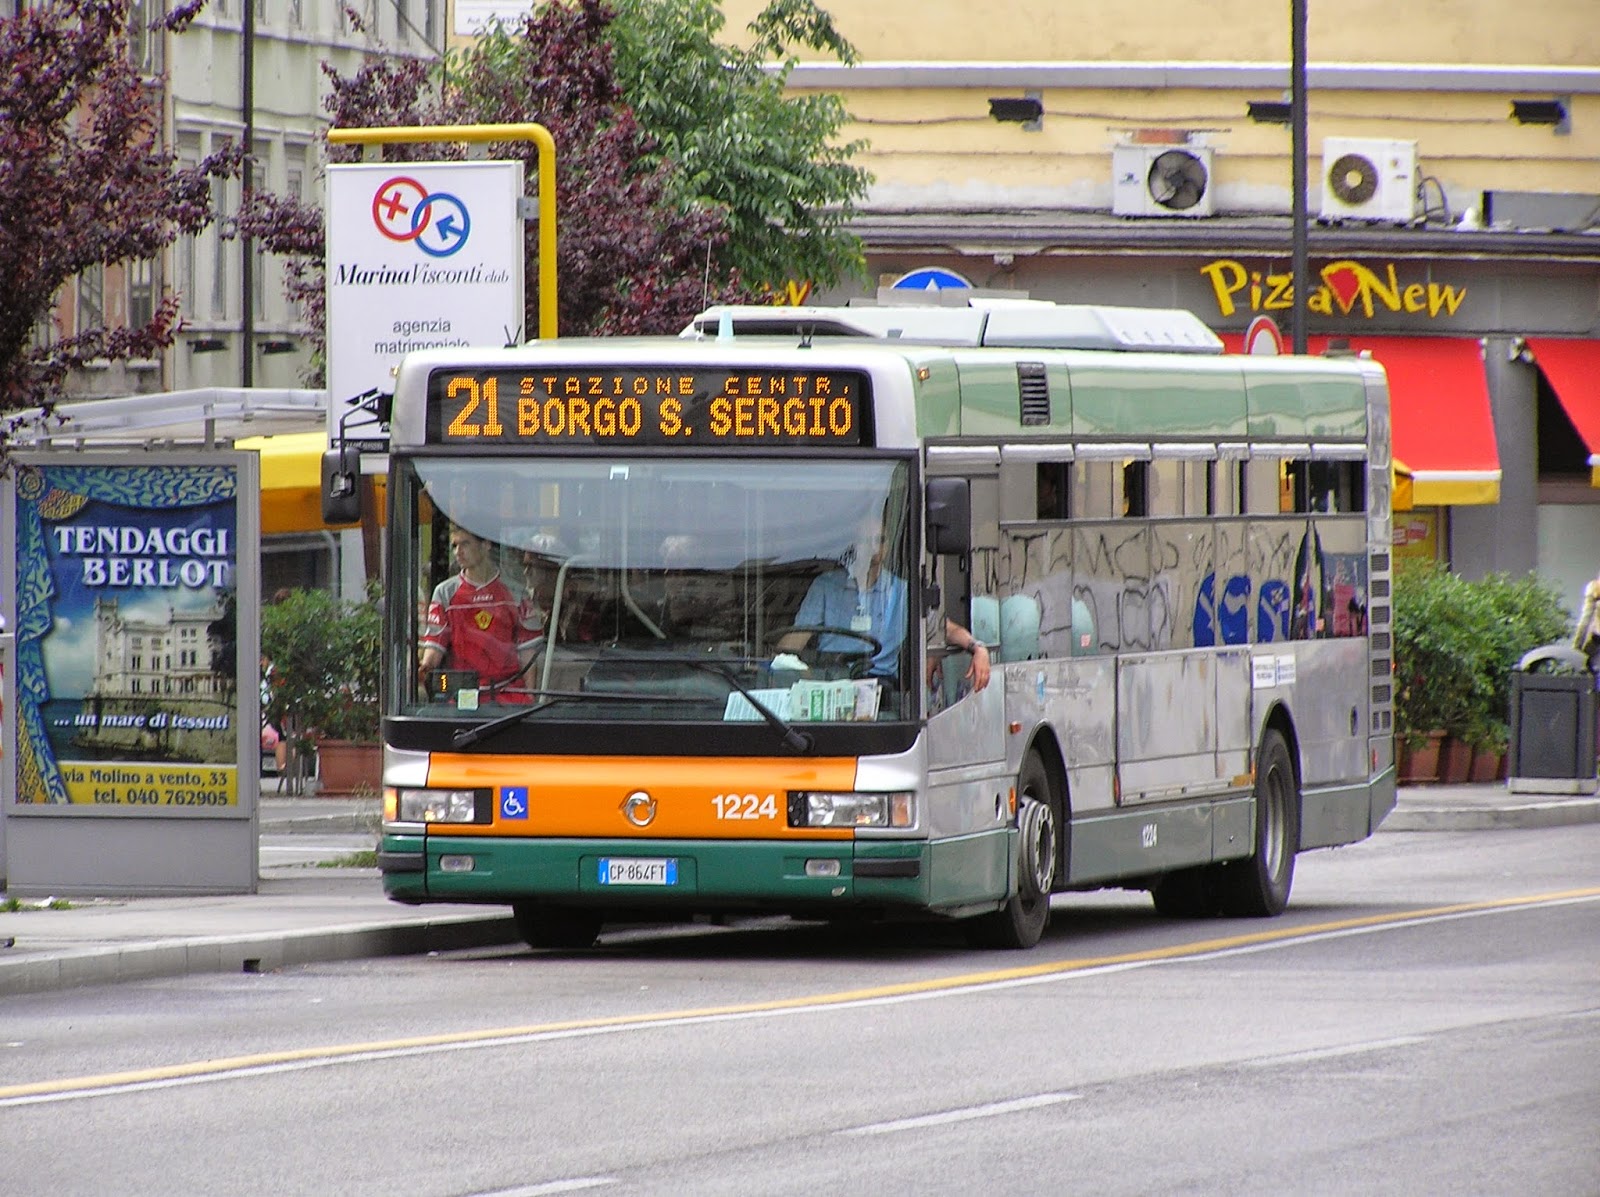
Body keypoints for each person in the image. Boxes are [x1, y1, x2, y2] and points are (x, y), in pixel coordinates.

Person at [781, 509, 990, 692]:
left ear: (888, 546)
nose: (873, 548)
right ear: (852, 545)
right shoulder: (826, 586)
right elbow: (795, 640)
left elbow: (947, 629)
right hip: (831, 682)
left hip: (881, 689)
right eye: (865, 541)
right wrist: (783, 663)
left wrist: (978, 648)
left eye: (879, 540)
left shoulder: (902, 592)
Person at [417, 526, 540, 699]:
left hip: (509, 695)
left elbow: (528, 652)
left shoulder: (516, 592)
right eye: (454, 546)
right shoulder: (445, 593)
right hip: (463, 695)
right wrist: (425, 667)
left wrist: (530, 697)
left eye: (465, 544)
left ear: (486, 545)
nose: (458, 552)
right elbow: (435, 647)